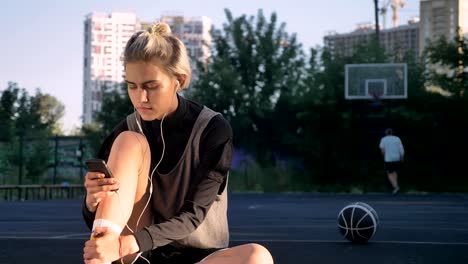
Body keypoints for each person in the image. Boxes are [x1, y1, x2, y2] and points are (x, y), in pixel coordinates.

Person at [82, 22, 274, 264]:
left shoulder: (212, 129)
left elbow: (193, 215)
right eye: (132, 86)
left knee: (258, 257)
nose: (140, 97)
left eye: (151, 86)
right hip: (139, 257)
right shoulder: (126, 130)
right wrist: (91, 203)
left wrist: (128, 244)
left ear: (179, 80)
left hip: (199, 258)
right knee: (129, 141)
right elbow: (99, 224)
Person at [379, 128, 404, 195]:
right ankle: (396, 185)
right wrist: (402, 157)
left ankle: (395, 187)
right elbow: (401, 148)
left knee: (389, 173)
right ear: (392, 132)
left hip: (388, 158)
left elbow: (382, 150)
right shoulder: (397, 138)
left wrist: (384, 157)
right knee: (394, 172)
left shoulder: (383, 139)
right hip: (396, 157)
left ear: (386, 133)